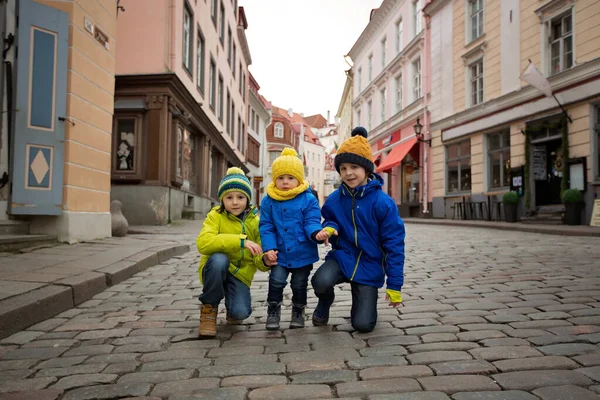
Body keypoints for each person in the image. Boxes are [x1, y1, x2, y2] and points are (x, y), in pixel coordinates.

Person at [311, 126, 405, 333]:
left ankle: (363, 303)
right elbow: (330, 220)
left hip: (370, 264)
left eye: (354, 166)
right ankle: (324, 303)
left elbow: (394, 245)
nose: (348, 173)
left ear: (366, 169)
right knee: (320, 281)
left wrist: (395, 284)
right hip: (343, 258)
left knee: (363, 325)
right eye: (343, 168)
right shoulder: (335, 199)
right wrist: (327, 229)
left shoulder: (383, 203)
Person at [260, 148, 330, 330]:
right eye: (281, 178)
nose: (285, 182)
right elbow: (266, 226)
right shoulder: (268, 200)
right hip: (279, 252)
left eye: (290, 178)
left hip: (302, 252)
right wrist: (269, 248)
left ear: (299, 179)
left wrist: (317, 233)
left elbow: (312, 221)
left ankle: (298, 311)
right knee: (276, 281)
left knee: (299, 284)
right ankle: (273, 311)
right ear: (274, 179)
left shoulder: (308, 199)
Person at [196, 167, 270, 337]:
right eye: (229, 197)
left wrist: (265, 260)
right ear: (222, 199)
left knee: (240, 313)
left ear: (248, 199)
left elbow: (259, 259)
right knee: (219, 259)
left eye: (240, 197)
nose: (235, 202)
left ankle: (232, 304)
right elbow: (203, 243)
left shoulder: (256, 222)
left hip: (239, 274)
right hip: (216, 269)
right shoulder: (215, 216)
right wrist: (240, 242)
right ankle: (209, 308)